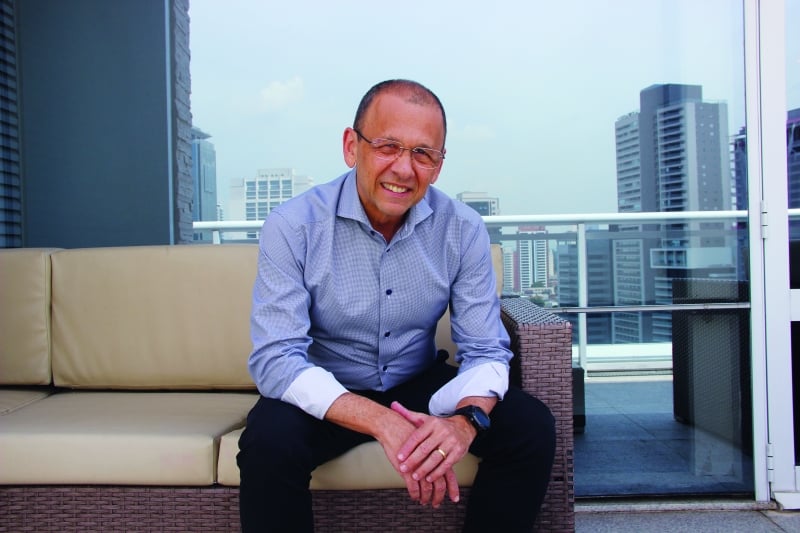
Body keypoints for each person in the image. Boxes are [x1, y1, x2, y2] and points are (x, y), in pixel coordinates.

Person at [237, 79, 556, 532]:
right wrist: (383, 422)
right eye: (388, 146)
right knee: (269, 443)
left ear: (438, 166)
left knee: (530, 427)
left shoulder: (462, 228)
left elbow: (485, 349)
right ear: (352, 146)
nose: (404, 169)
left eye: (423, 153)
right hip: (329, 389)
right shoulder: (293, 225)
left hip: (418, 382)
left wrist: (465, 422)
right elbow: (276, 359)